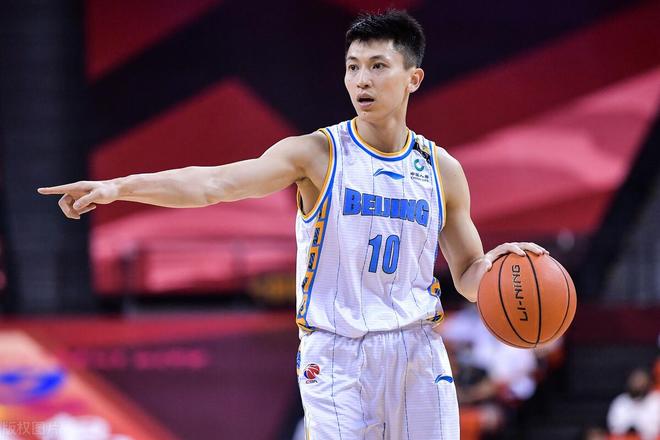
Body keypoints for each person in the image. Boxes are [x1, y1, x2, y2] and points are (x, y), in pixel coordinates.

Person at [38, 10, 547, 439]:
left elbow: (468, 275)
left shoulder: (441, 170)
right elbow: (214, 183)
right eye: (352, 67)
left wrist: (498, 269)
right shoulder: (317, 154)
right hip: (337, 353)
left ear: (413, 78)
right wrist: (118, 187)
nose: (362, 80)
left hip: (417, 350)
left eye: (377, 66)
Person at [607, 367, 660, 440]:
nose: (638, 384)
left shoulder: (656, 400)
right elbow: (614, 426)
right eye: (635, 380)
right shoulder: (621, 401)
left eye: (641, 380)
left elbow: (654, 428)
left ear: (648, 381)